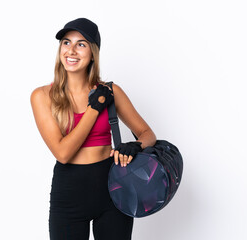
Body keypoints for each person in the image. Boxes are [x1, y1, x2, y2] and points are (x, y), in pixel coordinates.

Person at [30, 18, 156, 240]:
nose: (72, 50)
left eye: (81, 44)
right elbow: (63, 153)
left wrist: (134, 146)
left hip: (113, 188)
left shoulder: (111, 91)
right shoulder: (42, 96)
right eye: (66, 42)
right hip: (69, 193)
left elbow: (148, 135)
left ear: (92, 53)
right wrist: (94, 109)